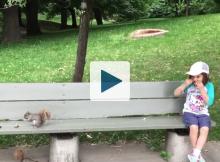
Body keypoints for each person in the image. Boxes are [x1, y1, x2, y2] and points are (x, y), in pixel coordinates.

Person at [174, 61, 215, 162]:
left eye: (198, 76)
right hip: (189, 112)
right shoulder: (189, 85)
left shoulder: (209, 86)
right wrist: (184, 84)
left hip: (203, 113)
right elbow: (176, 93)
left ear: (205, 76)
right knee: (194, 127)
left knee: (205, 129)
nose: (195, 79)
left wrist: (201, 89)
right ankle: (196, 155)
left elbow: (208, 102)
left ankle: (195, 154)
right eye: (193, 76)